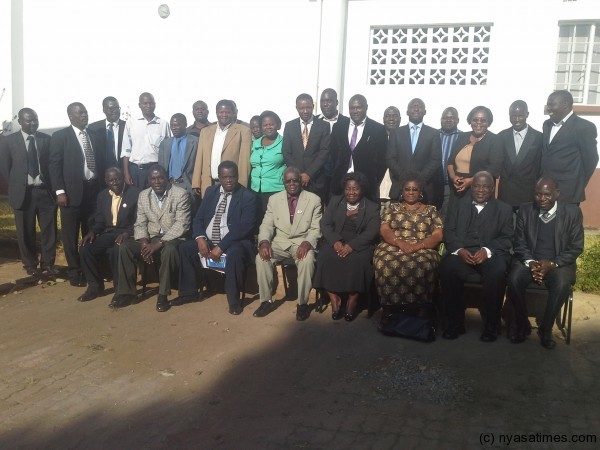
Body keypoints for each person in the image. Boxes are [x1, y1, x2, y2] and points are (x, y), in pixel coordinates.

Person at [507, 177, 584, 349]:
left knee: (563, 283)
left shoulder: (572, 213)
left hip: (558, 264)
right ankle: (522, 325)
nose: (542, 199)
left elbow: (576, 247)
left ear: (557, 194)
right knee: (513, 279)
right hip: (530, 261)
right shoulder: (525, 211)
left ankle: (545, 329)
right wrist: (530, 262)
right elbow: (519, 243)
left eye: (547, 195)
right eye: (538, 194)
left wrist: (553, 263)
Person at [440, 171, 513, 342]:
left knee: (497, 272)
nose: (481, 190)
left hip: (490, 254)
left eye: (486, 187)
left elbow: (507, 238)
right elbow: (448, 231)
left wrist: (487, 251)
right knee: (447, 269)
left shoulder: (504, 209)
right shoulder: (457, 204)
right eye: (477, 186)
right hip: (462, 252)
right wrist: (459, 250)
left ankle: (491, 326)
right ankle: (455, 323)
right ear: (471, 187)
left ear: (492, 189)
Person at [178, 161, 258, 315]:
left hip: (235, 241)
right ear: (219, 178)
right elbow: (198, 218)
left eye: (232, 177)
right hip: (209, 239)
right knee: (185, 248)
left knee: (235, 254)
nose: (229, 180)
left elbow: (243, 228)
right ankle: (189, 293)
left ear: (237, 177)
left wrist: (220, 246)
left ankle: (234, 301)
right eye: (225, 177)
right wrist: (200, 238)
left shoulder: (247, 197)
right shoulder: (211, 192)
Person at [112, 164, 191, 311]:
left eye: (160, 178)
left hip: (172, 238)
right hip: (150, 237)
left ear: (167, 179)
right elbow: (140, 222)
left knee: (169, 251)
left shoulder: (180, 194)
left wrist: (158, 244)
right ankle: (127, 293)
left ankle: (163, 294)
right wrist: (143, 243)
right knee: (125, 247)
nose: (157, 182)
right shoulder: (144, 195)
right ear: (148, 180)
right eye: (153, 179)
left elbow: (182, 225)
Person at [255, 167, 322, 321]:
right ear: (283, 182)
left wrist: (307, 243)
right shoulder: (274, 199)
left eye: (295, 180)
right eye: (288, 181)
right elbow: (266, 225)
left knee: (307, 260)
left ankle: (302, 304)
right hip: (280, 242)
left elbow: (315, 228)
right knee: (261, 258)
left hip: (301, 242)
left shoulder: (313, 199)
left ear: (300, 181)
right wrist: (264, 241)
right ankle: (266, 301)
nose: (292, 184)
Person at [373, 173, 443, 320]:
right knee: (384, 262)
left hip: (423, 246)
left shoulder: (431, 210)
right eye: (407, 189)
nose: (411, 192)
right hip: (393, 244)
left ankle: (421, 308)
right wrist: (400, 243)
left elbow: (438, 235)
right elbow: (384, 229)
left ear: (420, 192)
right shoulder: (392, 208)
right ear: (402, 191)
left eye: (414, 189)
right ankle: (389, 308)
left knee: (423, 264)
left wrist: (419, 245)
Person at [313, 172, 380, 321]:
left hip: (360, 244)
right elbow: (325, 224)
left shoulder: (371, 207)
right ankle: (334, 298)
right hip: (336, 240)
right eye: (348, 189)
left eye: (355, 189)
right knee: (325, 257)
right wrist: (335, 241)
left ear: (361, 189)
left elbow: (372, 231)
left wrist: (352, 246)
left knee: (359, 261)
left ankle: (352, 300)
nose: (351, 192)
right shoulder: (336, 201)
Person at [49, 102, 103, 287]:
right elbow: (54, 166)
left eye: (86, 112)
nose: (85, 115)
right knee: (70, 236)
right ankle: (74, 271)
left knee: (90, 232)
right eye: (80, 113)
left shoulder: (93, 135)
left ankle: (90, 269)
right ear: (70, 116)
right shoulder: (60, 137)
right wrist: (60, 191)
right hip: (71, 195)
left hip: (92, 192)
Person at [0, 108, 58, 276]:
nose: (33, 123)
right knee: (25, 231)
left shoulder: (46, 139)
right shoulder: (8, 141)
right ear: (20, 121)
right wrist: (17, 184)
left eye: (35, 120)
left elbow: (50, 166)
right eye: (28, 120)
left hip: (44, 192)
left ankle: (48, 263)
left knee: (49, 230)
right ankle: (30, 264)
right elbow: (5, 169)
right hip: (23, 193)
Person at [78, 167, 140, 302]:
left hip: (127, 233)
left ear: (123, 178)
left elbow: (139, 222)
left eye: (117, 179)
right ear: (106, 181)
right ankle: (95, 286)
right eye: (111, 180)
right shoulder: (102, 196)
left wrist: (127, 233)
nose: (115, 183)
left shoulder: (135, 194)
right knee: (85, 248)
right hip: (108, 233)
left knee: (117, 249)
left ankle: (120, 291)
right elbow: (100, 221)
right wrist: (92, 232)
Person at [541, 90, 598, 204]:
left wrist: (577, 184)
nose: (548, 108)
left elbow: (591, 160)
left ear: (565, 104)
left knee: (567, 222)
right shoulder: (547, 124)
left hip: (568, 192)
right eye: (548, 105)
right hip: (546, 191)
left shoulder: (583, 127)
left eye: (552, 104)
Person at [329, 94, 387, 201]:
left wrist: (373, 179)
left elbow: (382, 160)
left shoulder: (378, 129)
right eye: (352, 108)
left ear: (366, 107)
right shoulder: (339, 127)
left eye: (358, 107)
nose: (355, 111)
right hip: (340, 184)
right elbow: (332, 153)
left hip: (367, 186)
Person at [387, 98, 442, 208]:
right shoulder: (396, 133)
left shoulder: (433, 133)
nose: (416, 108)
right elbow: (390, 159)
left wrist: (418, 181)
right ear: (407, 112)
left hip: (424, 190)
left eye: (419, 106)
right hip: (400, 188)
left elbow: (435, 160)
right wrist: (405, 180)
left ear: (425, 112)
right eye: (413, 106)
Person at [192, 99, 252, 197]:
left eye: (227, 112)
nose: (224, 115)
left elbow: (244, 163)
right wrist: (196, 182)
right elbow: (199, 158)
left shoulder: (243, 131)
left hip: (231, 184)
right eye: (221, 112)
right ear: (216, 113)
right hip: (209, 182)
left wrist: (242, 186)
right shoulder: (205, 131)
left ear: (233, 113)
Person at [446, 106, 503, 208]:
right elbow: (450, 162)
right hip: (457, 189)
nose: (478, 123)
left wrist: (470, 181)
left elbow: (494, 168)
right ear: (470, 121)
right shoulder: (462, 136)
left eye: (483, 120)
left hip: (480, 191)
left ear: (489, 122)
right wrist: (453, 177)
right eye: (475, 120)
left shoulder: (495, 140)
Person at [282, 94, 331, 204]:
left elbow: (324, 151)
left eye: (308, 107)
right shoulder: (290, 126)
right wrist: (298, 174)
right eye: (301, 108)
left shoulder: (323, 125)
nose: (305, 111)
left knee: (315, 212)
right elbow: (286, 152)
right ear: (296, 108)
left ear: (313, 106)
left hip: (316, 179)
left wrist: (309, 173)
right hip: (295, 180)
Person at [497, 100, 543, 211]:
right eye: (513, 116)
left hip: (528, 194)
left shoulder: (539, 138)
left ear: (527, 114)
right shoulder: (501, 136)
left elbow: (540, 166)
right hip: (506, 194)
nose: (516, 120)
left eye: (520, 116)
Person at [121, 92, 171, 189]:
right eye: (145, 103)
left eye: (151, 103)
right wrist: (126, 173)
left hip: (156, 170)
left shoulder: (163, 124)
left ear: (155, 105)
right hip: (136, 170)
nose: (148, 106)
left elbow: (167, 151)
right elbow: (126, 150)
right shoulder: (131, 123)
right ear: (139, 105)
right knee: (136, 199)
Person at [158, 113, 199, 209]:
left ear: (185, 124)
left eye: (177, 125)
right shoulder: (165, 144)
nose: (174, 128)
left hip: (188, 185)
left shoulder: (196, 142)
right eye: (172, 125)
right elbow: (161, 168)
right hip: (169, 186)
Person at [250, 110, 286, 215]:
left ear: (278, 125)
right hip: (255, 189)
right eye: (265, 125)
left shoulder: (284, 142)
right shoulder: (255, 143)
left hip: (275, 190)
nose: (268, 127)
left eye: (271, 124)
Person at [88, 96, 126, 170]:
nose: (115, 111)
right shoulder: (94, 128)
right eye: (111, 109)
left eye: (117, 108)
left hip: (122, 171)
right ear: (104, 110)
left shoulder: (127, 126)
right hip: (102, 172)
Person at [437, 107, 461, 218]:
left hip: (451, 185)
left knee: (447, 216)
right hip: (433, 184)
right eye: (445, 117)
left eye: (452, 118)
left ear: (458, 120)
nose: (448, 120)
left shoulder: (463, 137)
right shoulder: (433, 135)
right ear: (441, 119)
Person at [379, 106, 401, 203]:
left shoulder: (405, 138)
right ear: (383, 119)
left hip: (396, 193)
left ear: (400, 119)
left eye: (394, 116)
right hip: (376, 192)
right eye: (388, 116)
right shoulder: (376, 137)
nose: (391, 119)